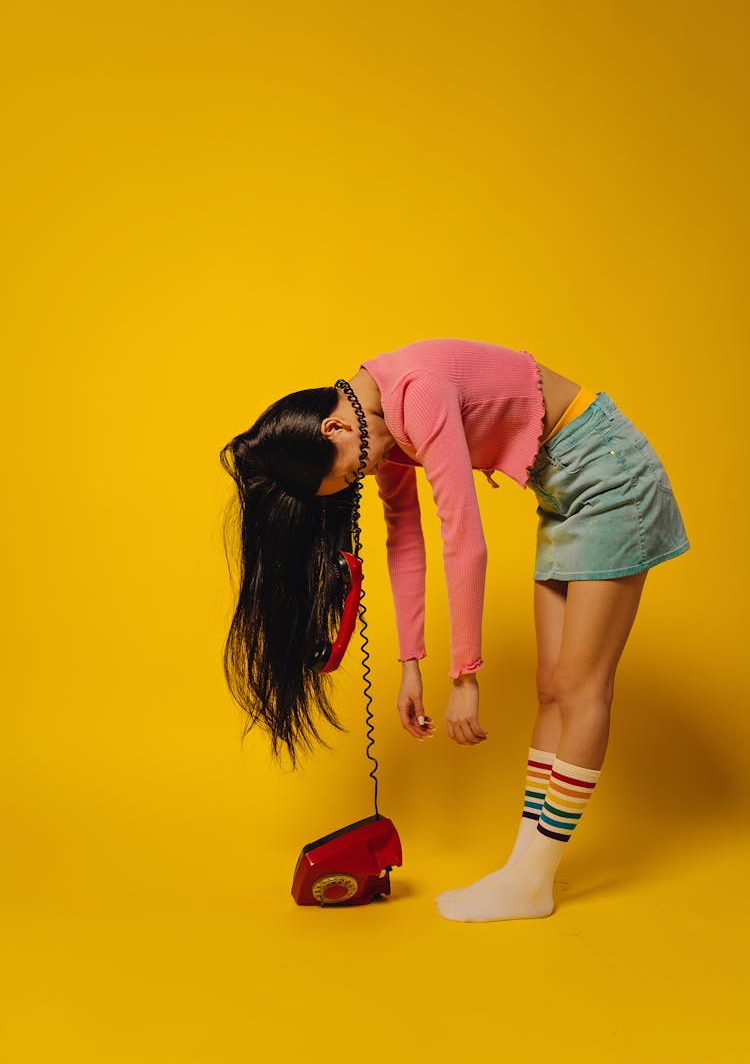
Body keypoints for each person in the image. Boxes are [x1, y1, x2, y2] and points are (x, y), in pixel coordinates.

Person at [220, 339, 689, 922]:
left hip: (609, 478)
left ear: (337, 427)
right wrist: (410, 663)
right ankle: (526, 871)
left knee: (580, 684)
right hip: (562, 492)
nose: (358, 479)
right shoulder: (377, 427)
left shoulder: (415, 394)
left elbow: (462, 534)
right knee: (551, 686)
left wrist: (465, 673)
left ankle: (533, 880)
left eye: (346, 475)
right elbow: (407, 540)